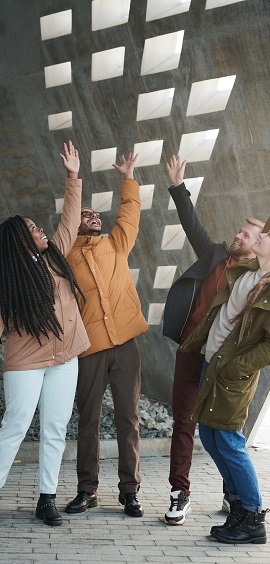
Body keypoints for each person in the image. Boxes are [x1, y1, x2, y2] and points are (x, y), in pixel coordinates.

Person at [163, 155, 265, 525]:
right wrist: (178, 186)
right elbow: (192, 224)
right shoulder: (216, 255)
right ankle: (180, 493)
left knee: (224, 431)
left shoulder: (255, 279)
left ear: (257, 248)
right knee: (186, 424)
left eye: (246, 235)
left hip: (223, 363)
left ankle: (234, 497)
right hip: (192, 351)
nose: (237, 236)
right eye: (239, 232)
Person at [0, 141, 90, 527]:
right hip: (26, 361)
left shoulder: (54, 256)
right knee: (16, 425)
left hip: (65, 358)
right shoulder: (8, 280)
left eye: (37, 226)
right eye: (32, 229)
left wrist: (73, 178)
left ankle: (46, 498)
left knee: (55, 426)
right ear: (18, 244)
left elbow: (69, 222)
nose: (40, 230)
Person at [65, 152, 149, 518]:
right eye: (85, 215)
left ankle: (129, 492)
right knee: (89, 420)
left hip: (126, 346)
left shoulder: (115, 244)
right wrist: (73, 180)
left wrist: (128, 178)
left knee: (129, 419)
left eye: (95, 214)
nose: (93, 216)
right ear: (74, 223)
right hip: (91, 351)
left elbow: (129, 213)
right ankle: (87, 490)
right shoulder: (64, 256)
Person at [179, 226, 270, 544]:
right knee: (209, 435)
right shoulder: (248, 269)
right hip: (211, 363)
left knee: (229, 441)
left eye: (265, 235)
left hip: (231, 374)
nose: (259, 237)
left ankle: (253, 516)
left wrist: (236, 368)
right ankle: (238, 509)